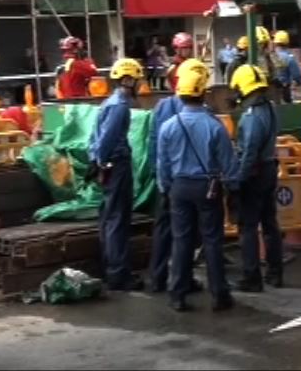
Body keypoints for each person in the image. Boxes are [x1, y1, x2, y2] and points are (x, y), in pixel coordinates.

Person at [156, 59, 238, 312]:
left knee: (181, 240)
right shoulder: (214, 126)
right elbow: (229, 164)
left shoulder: (168, 127)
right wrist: (233, 187)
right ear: (203, 94)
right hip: (208, 188)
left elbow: (163, 165)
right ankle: (219, 295)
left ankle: (177, 294)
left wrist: (166, 189)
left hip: (179, 188)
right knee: (212, 240)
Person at [148, 58, 205, 295]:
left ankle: (158, 279)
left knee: (165, 230)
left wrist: (159, 178)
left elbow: (155, 143)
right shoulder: (200, 112)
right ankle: (182, 281)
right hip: (186, 181)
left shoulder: (163, 106)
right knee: (186, 233)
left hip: (168, 180)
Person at [91, 58, 146, 292]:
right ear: (127, 80)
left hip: (109, 165)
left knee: (109, 218)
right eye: (137, 80)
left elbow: (97, 138)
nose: (140, 84)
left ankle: (111, 268)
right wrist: (101, 161)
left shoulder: (110, 103)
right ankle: (118, 274)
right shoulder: (119, 107)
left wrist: (96, 161)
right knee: (118, 220)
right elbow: (107, 139)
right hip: (116, 166)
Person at [229, 64, 283, 291]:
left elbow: (249, 152)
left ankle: (252, 278)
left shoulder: (250, 117)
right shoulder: (270, 108)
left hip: (254, 173)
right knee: (270, 224)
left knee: (248, 227)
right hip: (269, 169)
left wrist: (238, 181)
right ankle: (275, 273)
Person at [272, 31, 301, 104]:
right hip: (285, 92)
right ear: (287, 43)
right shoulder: (289, 58)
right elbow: (297, 76)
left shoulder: (270, 57)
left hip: (271, 93)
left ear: (275, 44)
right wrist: (298, 82)